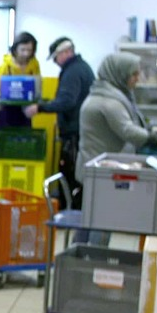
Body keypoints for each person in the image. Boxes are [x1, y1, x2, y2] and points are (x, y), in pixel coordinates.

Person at [76, 52, 157, 244]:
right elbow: (127, 130)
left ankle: (84, 252)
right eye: (134, 75)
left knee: (92, 217)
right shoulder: (108, 101)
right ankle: (92, 258)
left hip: (102, 171)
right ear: (119, 74)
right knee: (100, 219)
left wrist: (150, 129)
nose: (137, 79)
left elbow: (129, 121)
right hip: (100, 173)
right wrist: (156, 139)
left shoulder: (114, 95)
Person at [24, 37, 95, 208]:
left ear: (66, 52)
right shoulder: (81, 68)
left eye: (56, 58)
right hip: (80, 131)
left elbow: (67, 101)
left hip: (73, 133)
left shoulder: (72, 72)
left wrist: (40, 108)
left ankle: (69, 212)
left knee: (70, 176)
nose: (55, 62)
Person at [0, 32, 40, 129]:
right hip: (5, 115)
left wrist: (35, 104)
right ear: (15, 49)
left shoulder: (34, 66)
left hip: (25, 114)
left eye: (29, 50)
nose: (26, 54)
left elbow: (38, 91)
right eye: (23, 50)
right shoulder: (4, 67)